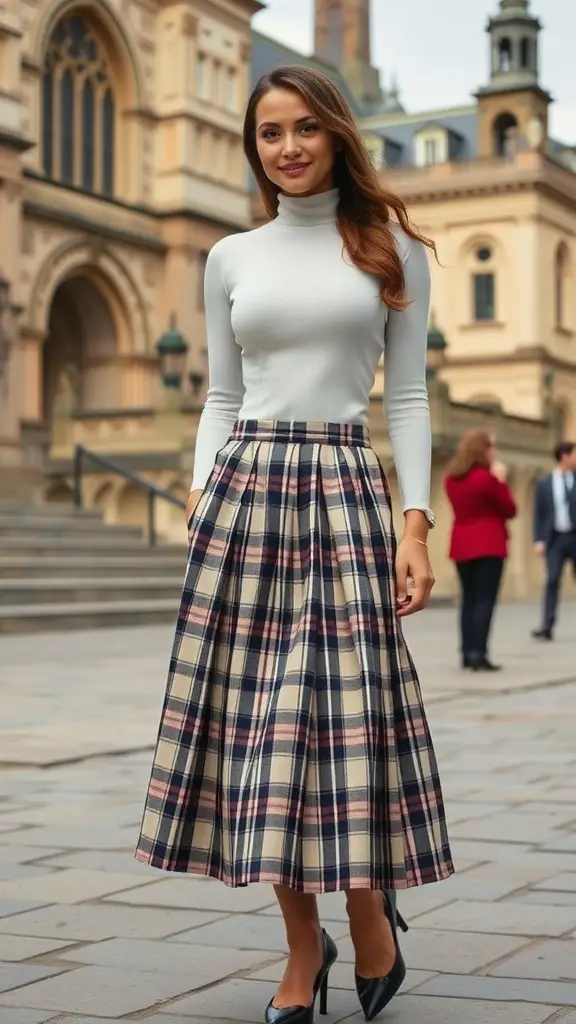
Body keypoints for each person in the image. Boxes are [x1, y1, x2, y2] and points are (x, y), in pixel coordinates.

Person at [136, 65, 453, 1024]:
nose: (288, 148)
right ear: (254, 145)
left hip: (345, 493)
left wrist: (416, 524)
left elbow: (405, 396)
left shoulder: (393, 247)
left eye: (306, 129)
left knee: (341, 723)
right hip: (244, 496)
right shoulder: (231, 256)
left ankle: (369, 910)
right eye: (269, 133)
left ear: (338, 135)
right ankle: (301, 946)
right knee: (256, 730)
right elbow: (221, 394)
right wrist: (200, 493)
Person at [444, 431, 517, 672]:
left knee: (468, 599)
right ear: (482, 450)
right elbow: (509, 509)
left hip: (461, 543)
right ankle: (479, 653)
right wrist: (502, 480)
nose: (493, 452)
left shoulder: (452, 479)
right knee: (485, 599)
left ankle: (467, 652)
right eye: (490, 448)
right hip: (489, 543)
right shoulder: (486, 478)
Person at [532, 440, 576, 641]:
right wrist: (539, 540)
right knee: (551, 581)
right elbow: (539, 514)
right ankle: (547, 625)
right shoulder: (545, 482)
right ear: (565, 456)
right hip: (555, 539)